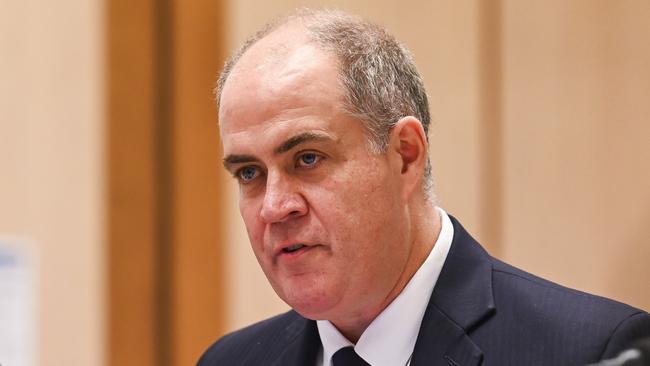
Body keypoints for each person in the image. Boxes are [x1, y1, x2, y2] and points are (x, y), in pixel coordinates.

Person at [198, 9, 650, 366]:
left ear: (406, 155)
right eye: (249, 174)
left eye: (308, 159)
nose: (275, 208)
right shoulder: (230, 360)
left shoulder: (593, 351)